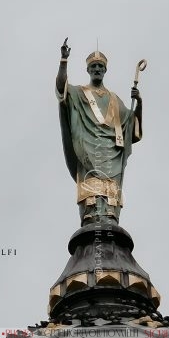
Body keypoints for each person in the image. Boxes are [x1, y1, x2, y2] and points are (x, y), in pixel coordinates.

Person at [56, 38, 143, 224]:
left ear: (105, 70)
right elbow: (61, 89)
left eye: (100, 67)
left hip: (111, 157)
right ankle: (90, 218)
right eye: (93, 66)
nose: (97, 69)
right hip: (87, 152)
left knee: (110, 202)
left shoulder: (114, 99)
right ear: (88, 70)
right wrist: (63, 62)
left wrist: (139, 103)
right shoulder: (79, 92)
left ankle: (110, 218)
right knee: (91, 199)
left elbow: (131, 127)